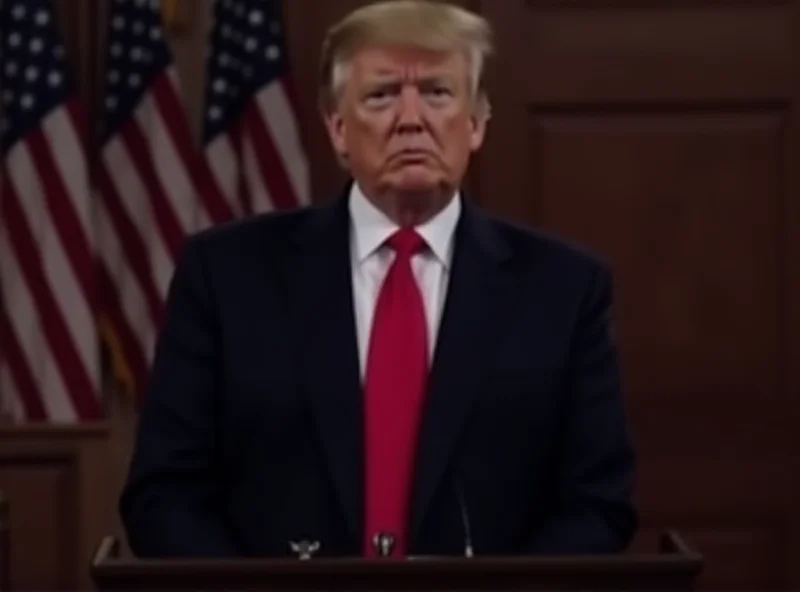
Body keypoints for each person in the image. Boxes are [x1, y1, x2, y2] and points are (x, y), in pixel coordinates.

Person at [119, 0, 637, 558]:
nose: (411, 119)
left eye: (437, 92)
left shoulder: (563, 289)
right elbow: (164, 496)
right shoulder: (225, 276)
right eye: (381, 95)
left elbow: (597, 504)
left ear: (477, 123)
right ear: (338, 128)